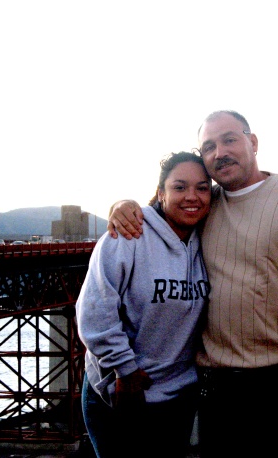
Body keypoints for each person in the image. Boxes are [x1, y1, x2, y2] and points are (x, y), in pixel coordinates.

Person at [108, 110, 278, 458]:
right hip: (215, 385)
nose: (219, 152)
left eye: (229, 140)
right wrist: (120, 205)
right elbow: (159, 214)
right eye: (208, 146)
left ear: (252, 143)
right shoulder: (205, 204)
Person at [77, 151, 212, 458]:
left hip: (178, 396)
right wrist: (125, 371)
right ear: (160, 193)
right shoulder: (127, 235)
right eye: (179, 187)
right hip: (122, 394)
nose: (192, 196)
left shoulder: (210, 236)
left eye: (202, 187)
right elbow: (95, 312)